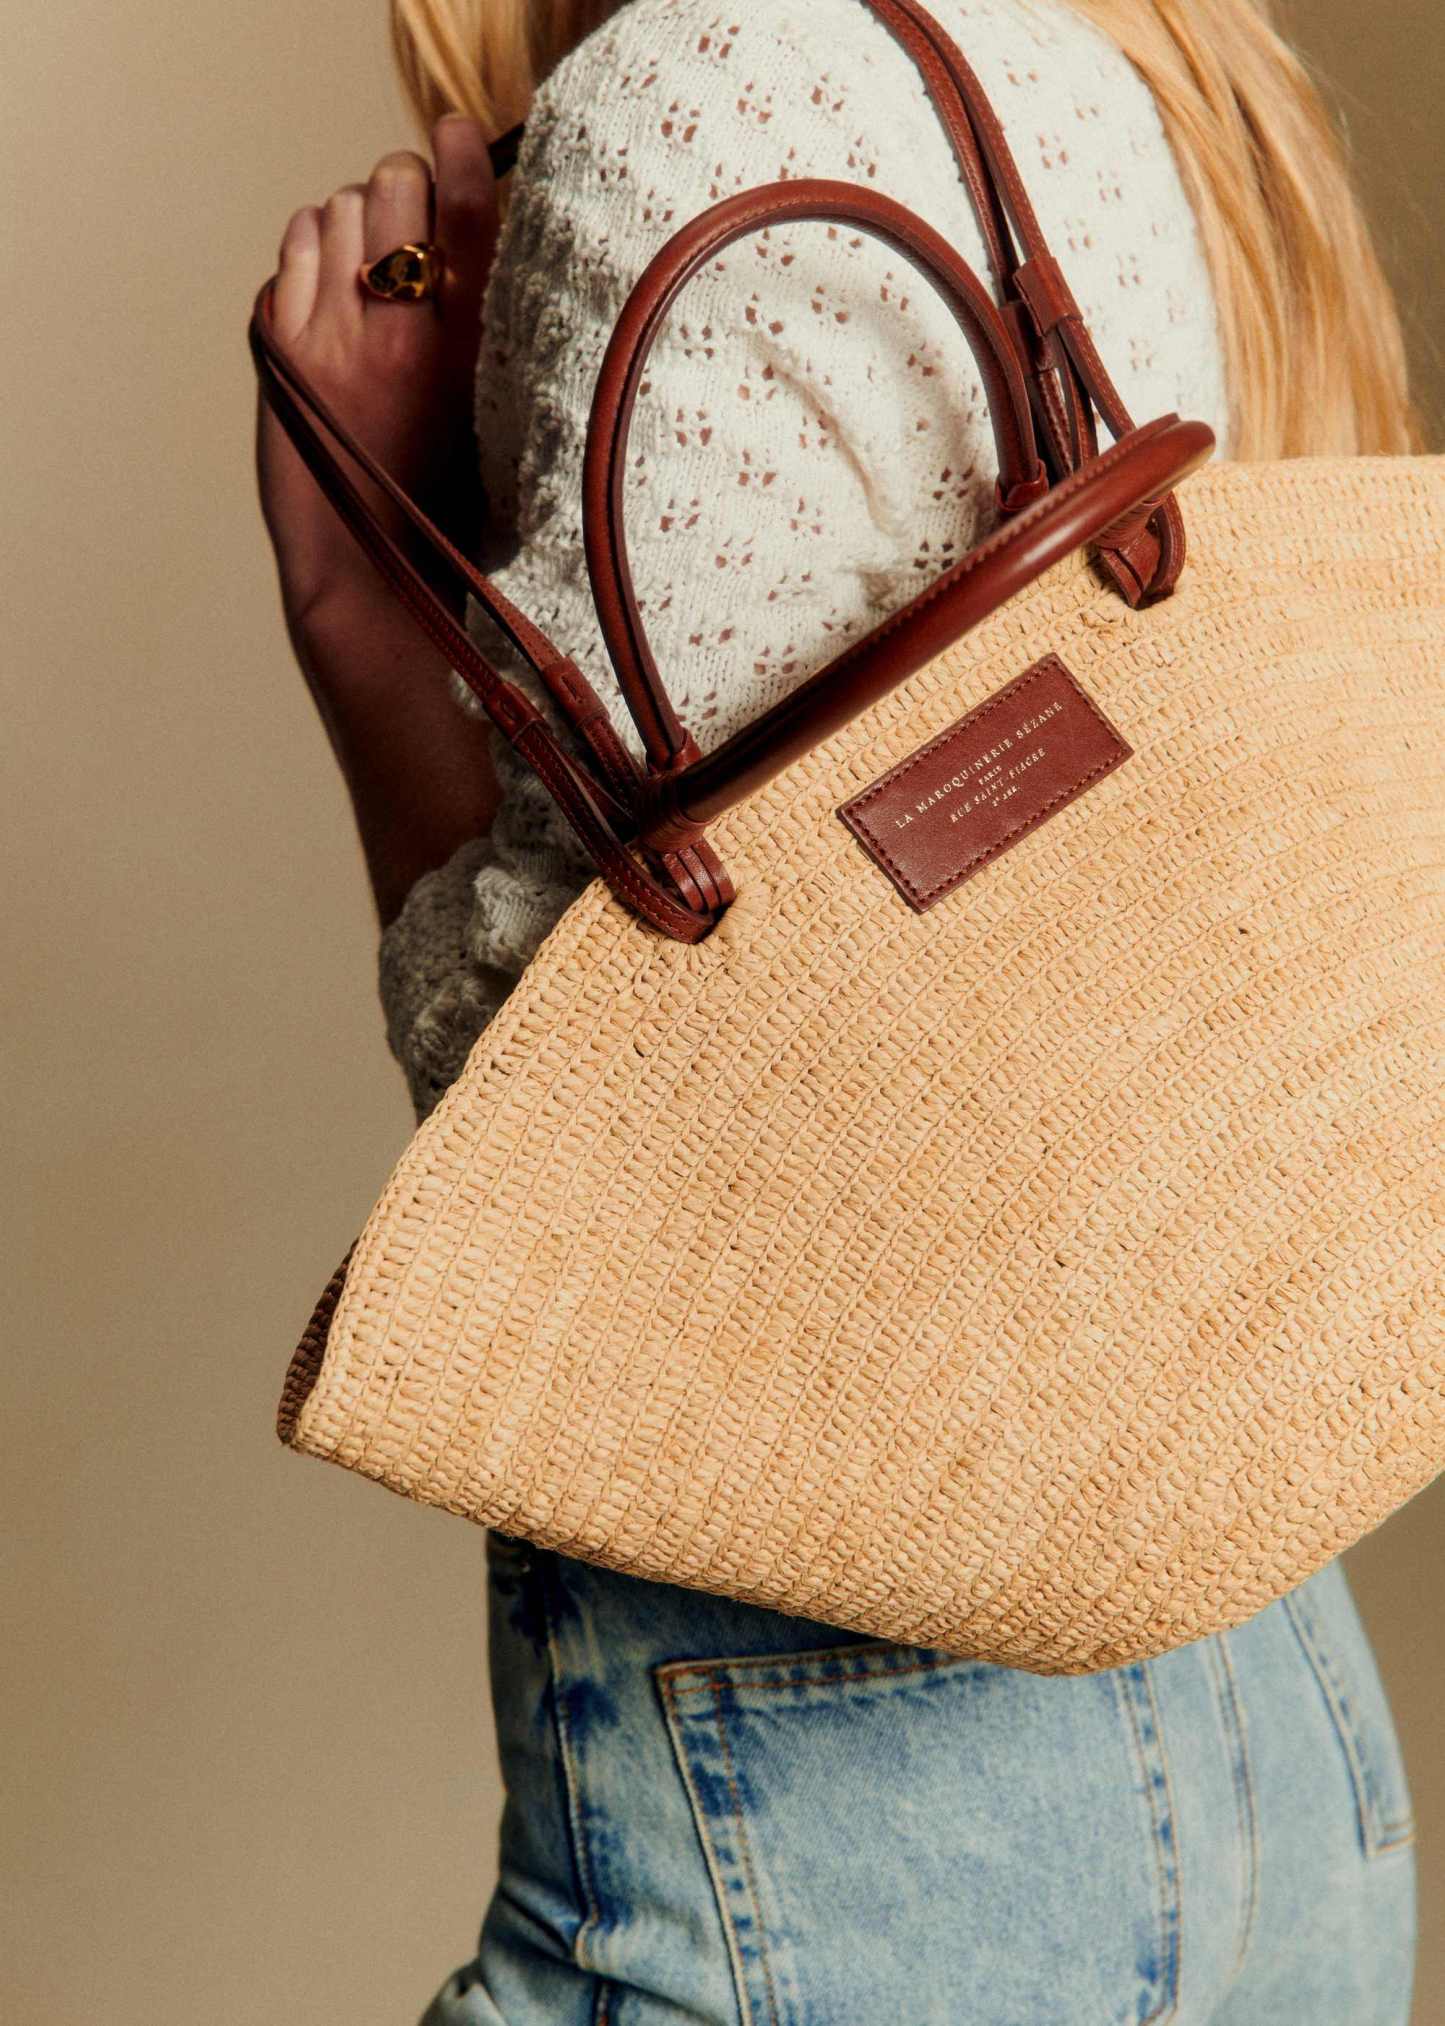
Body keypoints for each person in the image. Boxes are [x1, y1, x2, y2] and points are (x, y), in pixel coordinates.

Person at [253, 1, 1420, 2017]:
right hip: (1263, 1680)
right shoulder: (1070, 72)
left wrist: (354, 613)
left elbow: (632, 1177)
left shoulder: (673, 103)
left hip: (855, 1776)